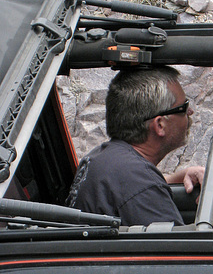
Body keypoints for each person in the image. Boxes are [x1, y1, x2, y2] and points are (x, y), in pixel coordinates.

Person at [66, 66, 204, 226]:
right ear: (160, 124)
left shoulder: (102, 157)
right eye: (183, 107)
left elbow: (129, 188)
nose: (190, 112)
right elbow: (178, 250)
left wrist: (178, 177)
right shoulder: (139, 185)